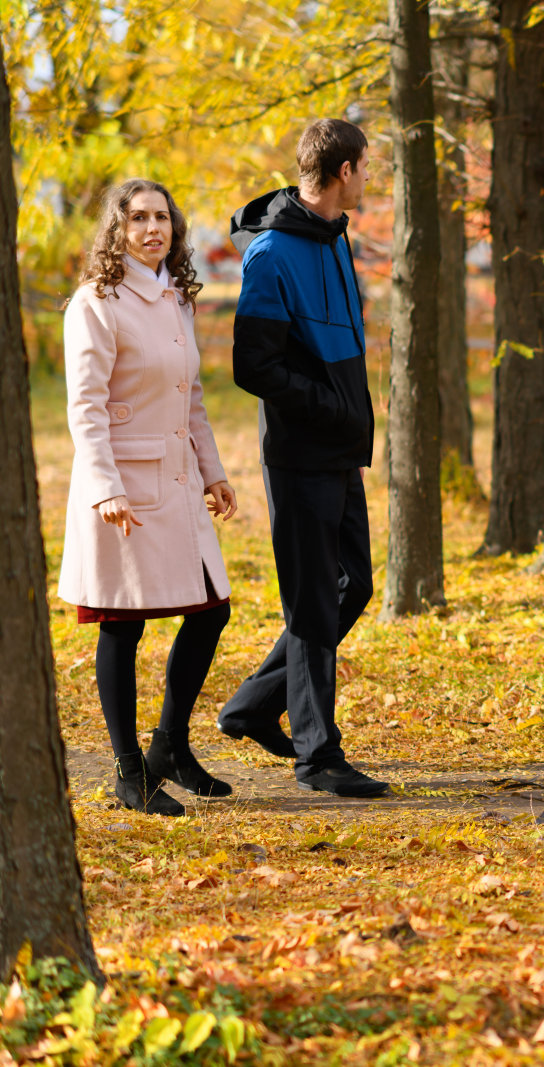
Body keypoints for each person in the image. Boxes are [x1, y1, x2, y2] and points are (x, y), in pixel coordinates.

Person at [215, 118, 387, 798]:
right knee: (313, 604)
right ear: (343, 171)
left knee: (354, 586)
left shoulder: (334, 241)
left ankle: (253, 706)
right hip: (300, 453)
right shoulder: (273, 254)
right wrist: (325, 405)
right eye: (365, 167)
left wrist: (347, 418)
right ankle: (318, 756)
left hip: (341, 450)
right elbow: (251, 364)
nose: (369, 178)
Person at [59, 179, 239, 817]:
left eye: (162, 217)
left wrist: (214, 471)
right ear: (118, 228)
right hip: (124, 490)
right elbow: (85, 407)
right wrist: (105, 488)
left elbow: (191, 399)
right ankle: (129, 772)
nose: (152, 228)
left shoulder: (176, 299)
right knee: (122, 625)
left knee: (211, 609)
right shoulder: (97, 302)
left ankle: (171, 747)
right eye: (138, 218)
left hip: (179, 482)